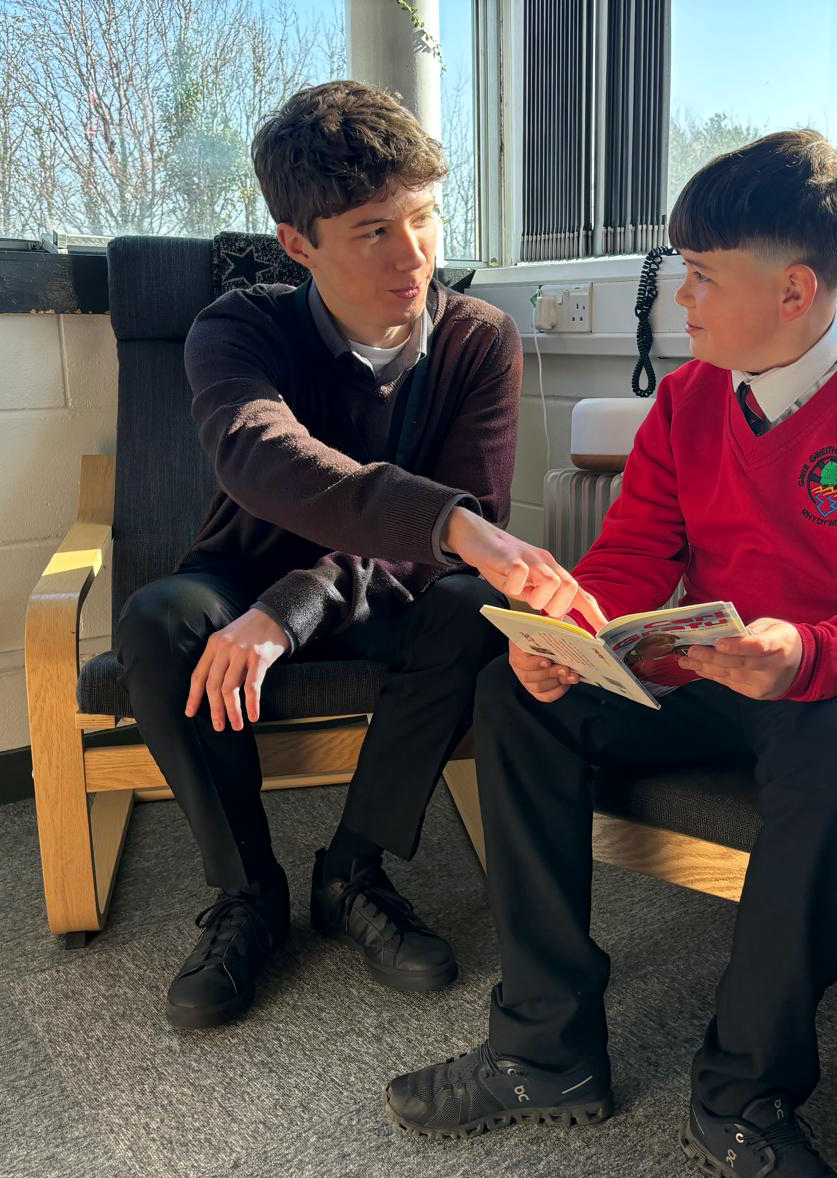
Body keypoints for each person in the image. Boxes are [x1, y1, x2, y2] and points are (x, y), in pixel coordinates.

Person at [384, 129, 837, 1177]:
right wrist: (565, 640)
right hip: (707, 667)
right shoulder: (688, 403)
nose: (680, 301)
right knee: (512, 696)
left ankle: (744, 1092)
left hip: (831, 678)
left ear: (794, 289)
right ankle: (544, 1044)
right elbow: (629, 556)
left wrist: (803, 652)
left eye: (701, 277)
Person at [115, 80, 604, 1031]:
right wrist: (455, 524)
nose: (414, 254)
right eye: (375, 230)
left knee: (472, 609)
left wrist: (292, 612)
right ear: (298, 242)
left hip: (390, 594)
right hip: (242, 572)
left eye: (424, 217)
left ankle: (353, 871)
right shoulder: (238, 329)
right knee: (158, 620)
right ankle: (247, 895)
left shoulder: (478, 342)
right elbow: (266, 460)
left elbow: (440, 567)